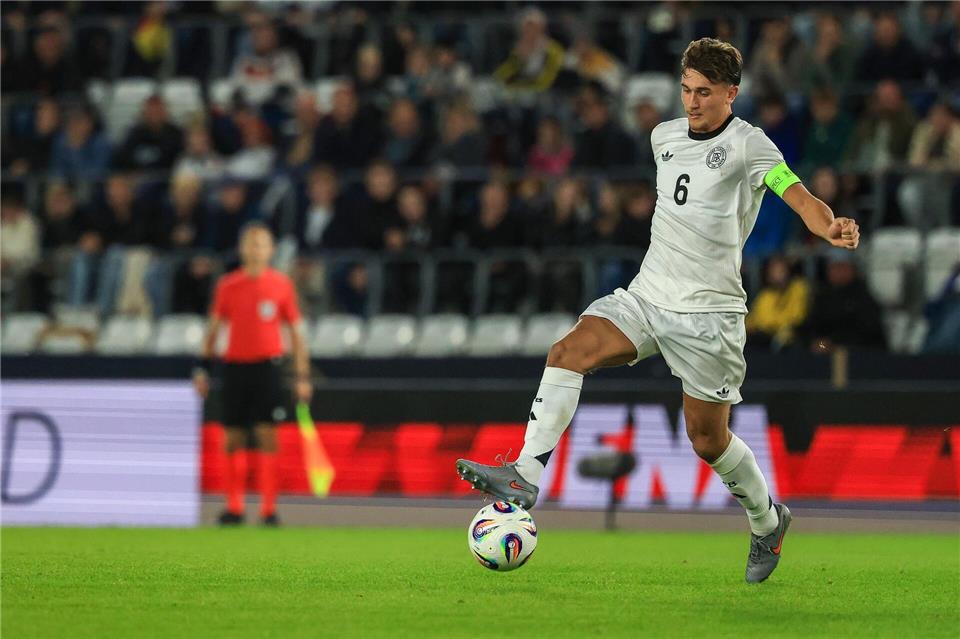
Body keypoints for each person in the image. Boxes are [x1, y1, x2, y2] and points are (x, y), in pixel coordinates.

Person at [456, 38, 861, 584]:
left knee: (708, 440)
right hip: (647, 296)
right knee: (567, 351)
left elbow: (799, 196)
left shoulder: (750, 145)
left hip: (709, 316)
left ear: (732, 93)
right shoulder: (664, 137)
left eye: (705, 92)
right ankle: (525, 474)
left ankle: (768, 521)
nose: (692, 102)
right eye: (686, 89)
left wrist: (828, 225)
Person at [193, 222, 311, 526]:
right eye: (251, 243)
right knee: (232, 437)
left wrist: (302, 376)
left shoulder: (281, 285)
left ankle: (268, 509)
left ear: (271, 250)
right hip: (235, 367)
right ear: (242, 249)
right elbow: (213, 329)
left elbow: (296, 334)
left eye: (261, 244)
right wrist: (203, 368)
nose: (256, 249)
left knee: (267, 435)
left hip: (267, 367)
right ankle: (234, 507)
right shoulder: (228, 285)